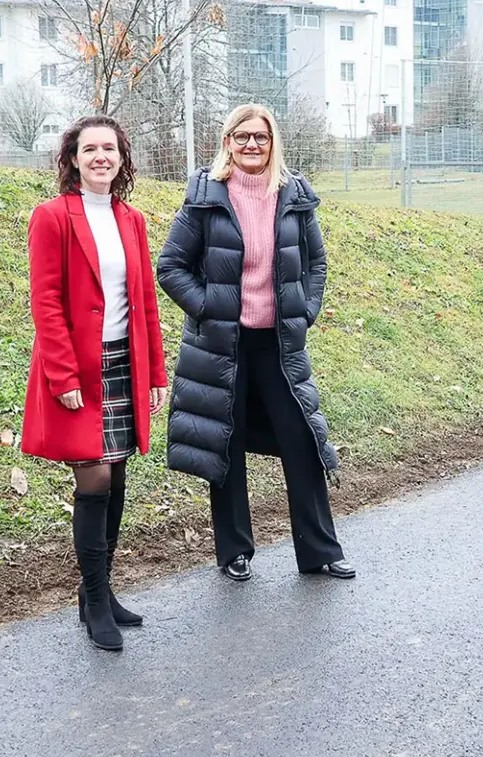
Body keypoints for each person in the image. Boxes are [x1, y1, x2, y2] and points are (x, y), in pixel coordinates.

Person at [157, 104, 355, 583]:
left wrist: (305, 312)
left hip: (279, 347)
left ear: (273, 143)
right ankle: (234, 550)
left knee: (302, 440)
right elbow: (170, 266)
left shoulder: (293, 194)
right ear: (227, 141)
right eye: (241, 137)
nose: (251, 145)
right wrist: (209, 308)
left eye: (260, 138)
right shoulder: (206, 197)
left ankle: (319, 552)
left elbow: (317, 264)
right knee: (227, 443)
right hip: (222, 347)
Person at [22, 115, 169, 652]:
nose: (101, 156)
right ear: (73, 159)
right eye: (91, 149)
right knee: (94, 480)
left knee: (119, 473)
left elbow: (145, 303)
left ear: (121, 158)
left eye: (110, 148)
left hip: (123, 362)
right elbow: (46, 303)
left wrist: (154, 370)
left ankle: (99, 593)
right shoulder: (52, 216)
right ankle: (95, 600)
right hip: (78, 370)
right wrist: (61, 376)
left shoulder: (132, 220)